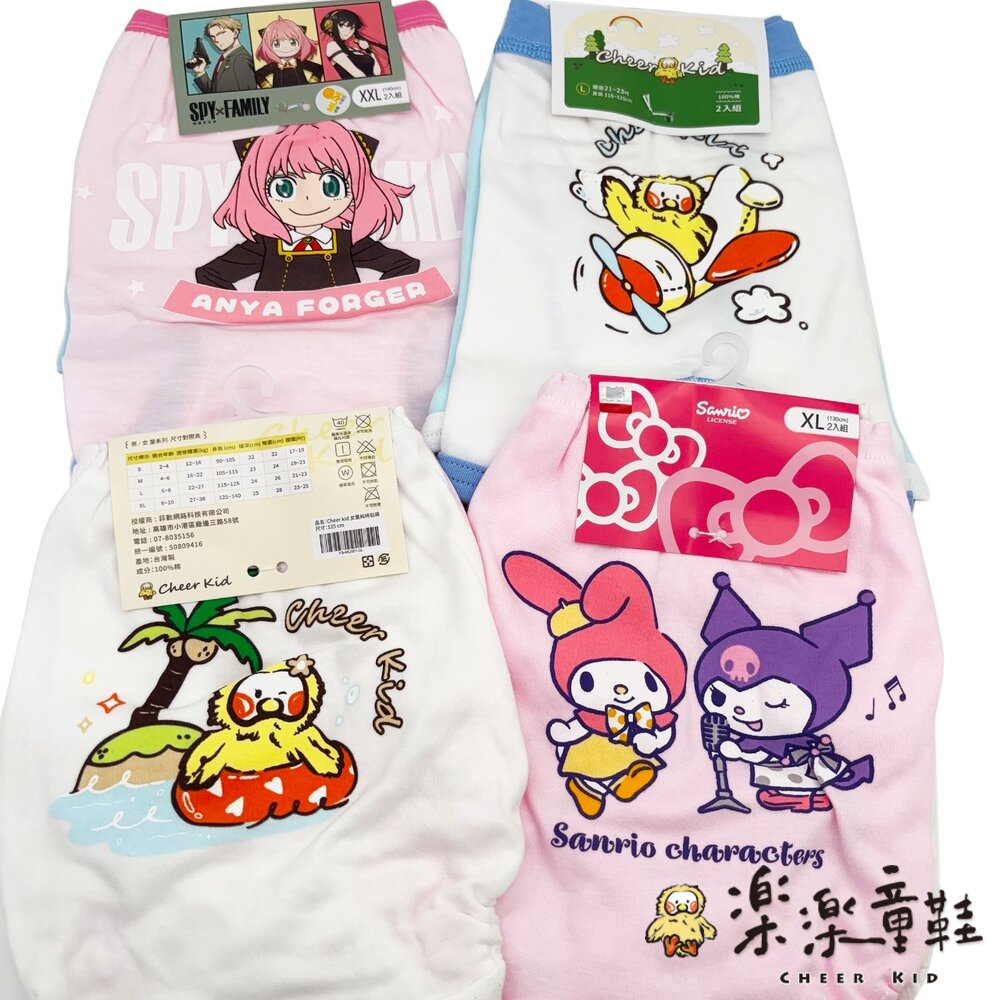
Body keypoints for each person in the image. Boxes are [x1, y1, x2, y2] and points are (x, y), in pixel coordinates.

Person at [195, 122, 420, 292]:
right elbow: (210, 274)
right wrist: (243, 311)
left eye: (330, 186)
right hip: (273, 333)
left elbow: (404, 265)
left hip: (349, 330)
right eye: (284, 188)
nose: (308, 200)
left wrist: (374, 300)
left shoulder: (348, 241)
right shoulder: (265, 244)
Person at [190, 16, 255, 94]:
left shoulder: (240, 59)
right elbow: (216, 93)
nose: (216, 40)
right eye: (212, 36)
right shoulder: (226, 58)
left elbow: (249, 96)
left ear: (235, 33)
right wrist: (200, 72)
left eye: (220, 33)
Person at [319, 9, 390, 80]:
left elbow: (377, 72)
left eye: (352, 27)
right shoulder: (332, 46)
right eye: (341, 25)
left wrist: (369, 51)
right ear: (332, 26)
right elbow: (358, 75)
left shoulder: (355, 49)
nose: (348, 31)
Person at [254, 17, 324, 89]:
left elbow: (319, 68)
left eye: (293, 43)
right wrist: (266, 86)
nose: (285, 48)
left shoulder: (300, 62)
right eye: (277, 44)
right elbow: (258, 74)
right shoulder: (274, 65)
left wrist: (313, 81)